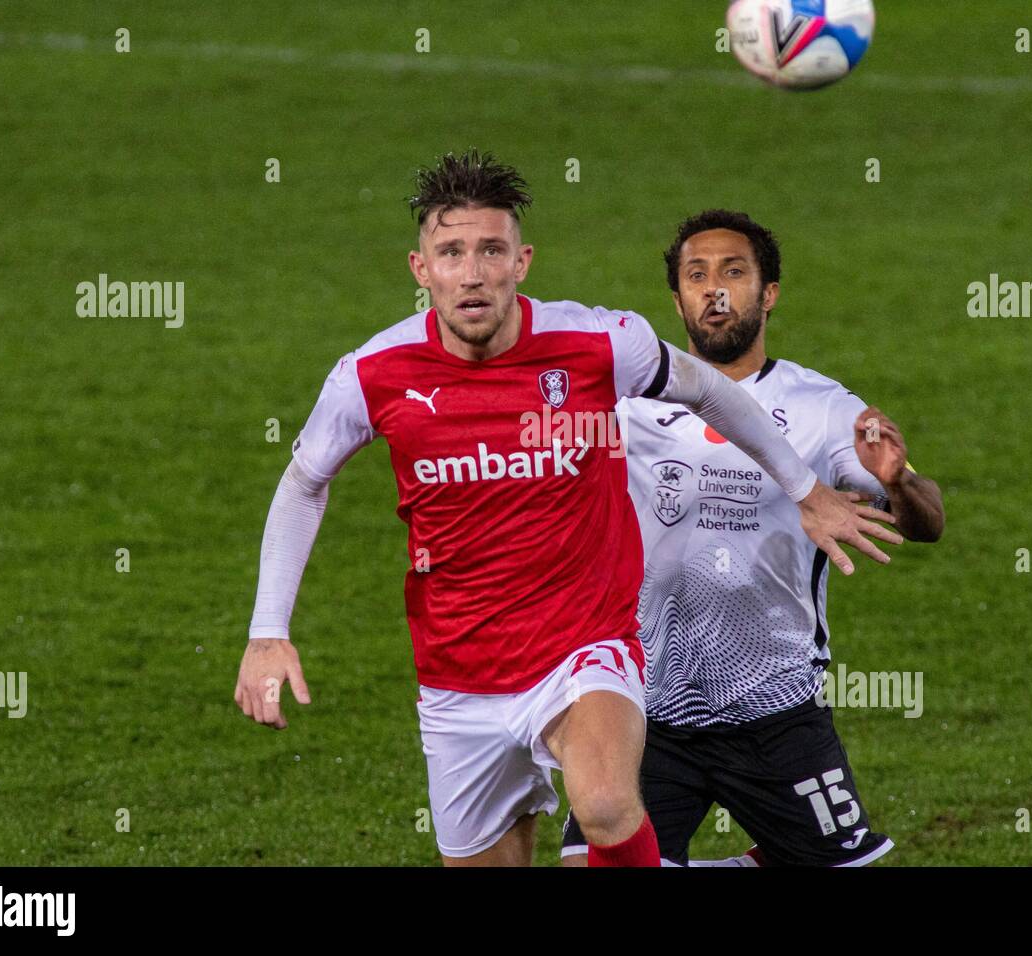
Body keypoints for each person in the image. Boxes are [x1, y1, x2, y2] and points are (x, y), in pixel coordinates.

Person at [234, 156, 900, 867]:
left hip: (584, 648)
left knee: (608, 802)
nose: (473, 272)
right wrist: (268, 631)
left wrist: (804, 489)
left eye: (491, 250)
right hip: (459, 674)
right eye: (451, 253)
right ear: (420, 269)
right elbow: (305, 481)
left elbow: (709, 389)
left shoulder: (599, 343)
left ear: (522, 261)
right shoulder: (372, 374)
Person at [562, 209, 943, 866]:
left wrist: (899, 483)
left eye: (734, 273)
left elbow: (929, 521)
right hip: (643, 711)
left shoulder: (823, 408)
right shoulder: (625, 403)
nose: (715, 292)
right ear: (676, 297)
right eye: (697, 275)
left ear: (769, 293)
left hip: (774, 711)